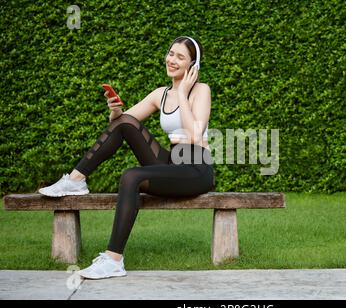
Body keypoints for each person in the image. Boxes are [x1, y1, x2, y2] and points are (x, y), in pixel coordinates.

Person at [38, 36, 215, 279]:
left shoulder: (200, 90)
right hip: (172, 162)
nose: (171, 60)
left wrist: (183, 93)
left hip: (196, 168)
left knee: (131, 175)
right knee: (126, 124)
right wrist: (116, 111)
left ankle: (113, 260)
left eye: (180, 57)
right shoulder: (160, 94)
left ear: (193, 66)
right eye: (170, 53)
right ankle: (76, 179)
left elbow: (195, 136)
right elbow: (121, 123)